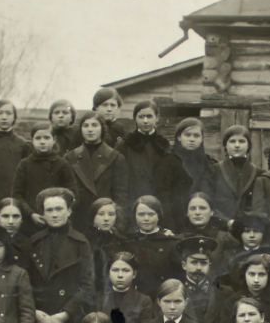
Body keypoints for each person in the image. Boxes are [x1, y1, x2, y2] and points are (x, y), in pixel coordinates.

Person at [115, 99, 192, 231]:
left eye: (149, 116)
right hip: (133, 204)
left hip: (160, 207)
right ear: (135, 119)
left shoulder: (165, 146)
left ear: (157, 118)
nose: (145, 121)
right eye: (141, 117)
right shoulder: (125, 146)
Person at [29, 187, 96, 323]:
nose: (54, 214)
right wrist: (34, 312)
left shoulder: (80, 243)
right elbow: (24, 283)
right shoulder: (34, 242)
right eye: (49, 210)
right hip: (38, 316)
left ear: (69, 211)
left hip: (69, 318)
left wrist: (65, 314)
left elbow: (87, 285)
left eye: (59, 209)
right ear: (43, 213)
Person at [65, 111, 130, 232]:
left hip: (105, 219)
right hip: (79, 220)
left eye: (94, 125)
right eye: (86, 126)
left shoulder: (116, 158)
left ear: (102, 128)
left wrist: (117, 223)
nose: (90, 130)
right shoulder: (70, 158)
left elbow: (121, 195)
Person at [12, 127, 78, 230]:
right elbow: (17, 194)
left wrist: (57, 213)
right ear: (32, 140)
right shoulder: (24, 164)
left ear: (54, 140)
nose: (42, 142)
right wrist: (31, 214)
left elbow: (72, 193)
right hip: (31, 221)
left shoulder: (62, 164)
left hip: (57, 219)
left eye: (46, 138)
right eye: (38, 138)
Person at [202, 125, 262, 227]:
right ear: (225, 145)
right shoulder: (213, 171)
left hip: (249, 229)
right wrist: (226, 222)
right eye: (232, 141)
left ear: (248, 145)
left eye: (242, 141)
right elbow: (207, 202)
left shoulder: (258, 173)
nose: (237, 145)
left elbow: (260, 205)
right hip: (220, 227)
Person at [124, 195, 179, 300]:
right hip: (136, 298)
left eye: (151, 214)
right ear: (135, 216)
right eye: (141, 214)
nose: (146, 219)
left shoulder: (170, 242)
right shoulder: (129, 242)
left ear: (158, 216)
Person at [96, 251, 154, 323]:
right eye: (115, 270)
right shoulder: (98, 298)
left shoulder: (144, 301)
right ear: (108, 273)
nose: (120, 275)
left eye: (125, 270)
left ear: (134, 274)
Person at [178, 235, 226, 323]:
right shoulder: (173, 294)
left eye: (203, 263)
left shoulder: (223, 293)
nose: (199, 268)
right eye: (194, 262)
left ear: (209, 265)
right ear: (184, 265)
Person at [85, 198, 126, 296]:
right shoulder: (85, 240)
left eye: (111, 214)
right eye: (101, 214)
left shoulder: (121, 239)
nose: (106, 218)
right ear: (93, 216)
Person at [172, 117, 217, 196]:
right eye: (187, 135)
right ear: (179, 137)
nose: (192, 139)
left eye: (196, 136)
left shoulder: (210, 165)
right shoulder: (167, 162)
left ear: (202, 139)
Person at [0, 198, 34, 271]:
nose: (11, 221)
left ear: (22, 219)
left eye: (16, 216)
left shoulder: (28, 245)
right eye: (5, 216)